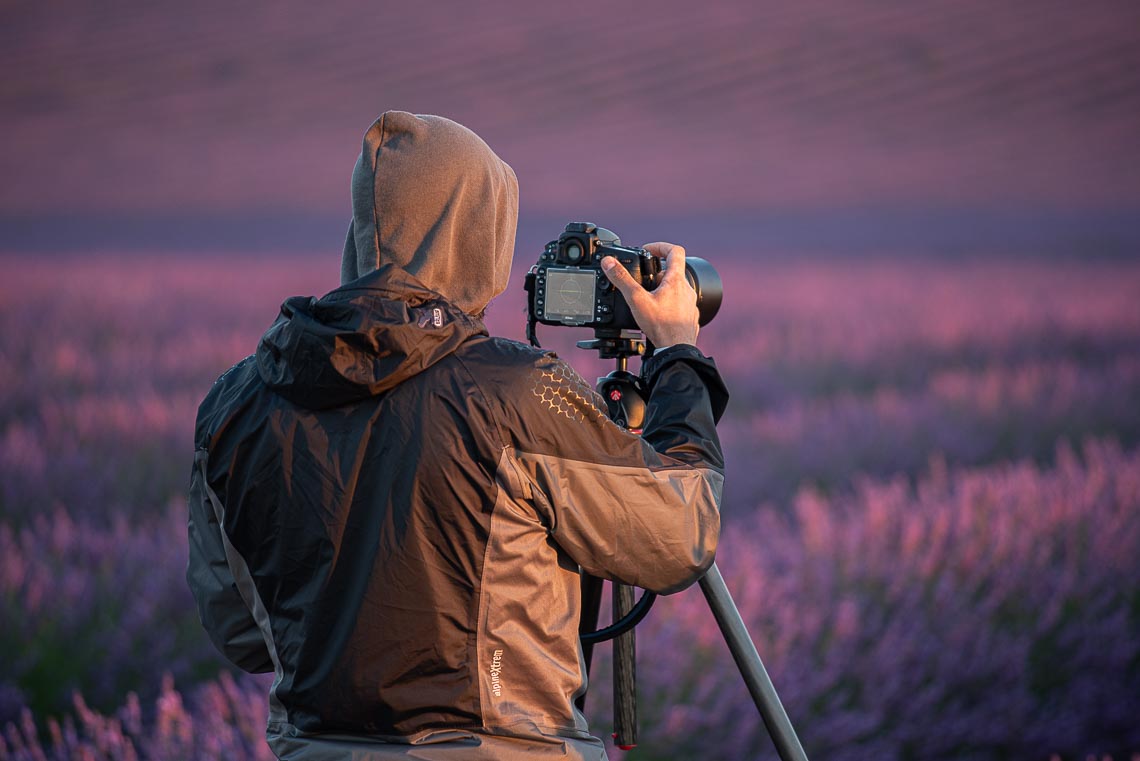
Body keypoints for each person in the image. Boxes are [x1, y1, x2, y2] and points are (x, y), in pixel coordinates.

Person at [187, 111, 728, 760]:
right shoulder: (517, 393)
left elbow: (241, 632)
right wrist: (677, 357)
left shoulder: (236, 403)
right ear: (479, 233)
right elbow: (681, 529)